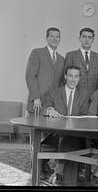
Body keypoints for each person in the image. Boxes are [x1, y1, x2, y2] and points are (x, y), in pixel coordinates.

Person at [25, 27, 64, 177]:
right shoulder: (37, 53)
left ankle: (44, 164)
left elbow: (60, 83)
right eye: (52, 36)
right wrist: (35, 97)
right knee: (36, 138)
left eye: (57, 37)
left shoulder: (61, 59)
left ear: (60, 39)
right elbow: (30, 75)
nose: (55, 39)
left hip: (51, 106)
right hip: (37, 103)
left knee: (48, 138)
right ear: (47, 38)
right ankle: (35, 168)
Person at [41, 65, 90, 186]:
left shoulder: (84, 94)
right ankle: (63, 177)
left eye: (76, 76)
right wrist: (49, 110)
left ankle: (58, 173)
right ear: (65, 76)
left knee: (70, 137)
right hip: (55, 135)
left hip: (76, 134)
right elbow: (45, 107)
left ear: (79, 78)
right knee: (70, 143)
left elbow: (85, 115)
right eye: (70, 76)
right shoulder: (55, 92)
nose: (73, 79)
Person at [64, 27, 98, 96]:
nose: (87, 39)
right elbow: (66, 78)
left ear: (93, 40)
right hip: (75, 96)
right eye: (84, 37)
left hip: (94, 96)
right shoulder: (71, 55)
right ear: (80, 38)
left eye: (89, 37)